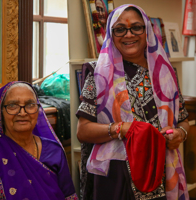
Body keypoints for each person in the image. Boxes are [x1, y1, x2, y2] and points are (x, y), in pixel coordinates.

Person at [76, 4, 190, 200]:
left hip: (162, 170)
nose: (128, 35)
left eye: (136, 27)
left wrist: (181, 133)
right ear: (111, 35)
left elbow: (182, 119)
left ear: (148, 31)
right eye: (120, 29)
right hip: (117, 179)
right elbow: (83, 131)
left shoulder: (166, 72)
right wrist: (121, 128)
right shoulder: (98, 74)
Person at [0, 81, 78, 200]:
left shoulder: (54, 150)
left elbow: (69, 197)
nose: (22, 113)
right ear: (0, 113)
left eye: (30, 105)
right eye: (12, 105)